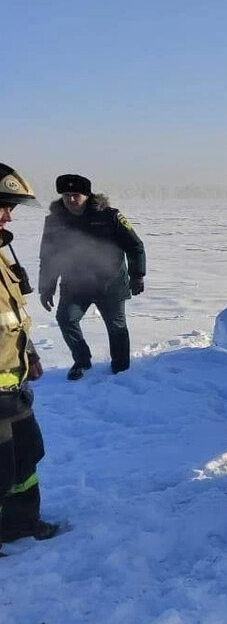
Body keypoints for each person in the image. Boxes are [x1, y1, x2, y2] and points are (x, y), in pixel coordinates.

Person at [0, 163, 59, 552]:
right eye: (1, 206)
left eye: (10, 208)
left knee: (24, 460)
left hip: (12, 387)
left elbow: (12, 318)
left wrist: (31, 354)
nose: (7, 215)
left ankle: (20, 524)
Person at [38, 174, 146, 380]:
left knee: (116, 327)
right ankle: (82, 360)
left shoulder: (109, 216)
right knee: (66, 319)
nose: (70, 200)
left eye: (75, 195)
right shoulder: (55, 221)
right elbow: (48, 256)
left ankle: (121, 367)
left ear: (87, 195)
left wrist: (137, 275)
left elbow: (135, 246)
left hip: (110, 282)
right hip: (75, 284)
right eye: (66, 195)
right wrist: (47, 287)